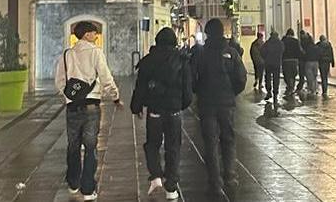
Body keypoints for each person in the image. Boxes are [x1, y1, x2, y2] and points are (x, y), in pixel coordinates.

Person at [55, 21, 122, 201]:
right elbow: (106, 77)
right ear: (86, 35)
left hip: (72, 107)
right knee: (91, 147)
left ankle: (73, 182)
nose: (95, 36)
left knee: (73, 145)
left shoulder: (66, 55)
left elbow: (60, 81)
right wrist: (115, 96)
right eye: (94, 33)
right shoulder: (95, 52)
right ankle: (87, 189)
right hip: (92, 106)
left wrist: (68, 96)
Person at [130, 27, 191, 200]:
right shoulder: (182, 60)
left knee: (152, 144)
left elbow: (140, 88)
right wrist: (181, 105)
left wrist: (136, 107)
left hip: (155, 112)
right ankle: (171, 187)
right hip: (173, 112)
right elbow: (188, 90)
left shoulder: (148, 61)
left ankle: (156, 176)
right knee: (173, 147)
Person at [192, 18, 247, 196]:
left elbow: (193, 79)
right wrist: (231, 93)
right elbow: (240, 79)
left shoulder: (199, 54)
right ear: (222, 32)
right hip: (226, 103)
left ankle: (215, 180)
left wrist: (200, 91)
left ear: (207, 33)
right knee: (228, 139)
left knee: (210, 142)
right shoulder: (231, 52)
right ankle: (230, 175)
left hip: (207, 103)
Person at [260, 30, 283, 108]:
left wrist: (265, 58)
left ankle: (269, 91)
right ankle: (275, 93)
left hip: (268, 63)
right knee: (276, 78)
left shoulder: (267, 43)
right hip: (276, 63)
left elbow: (262, 51)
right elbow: (282, 51)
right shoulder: (280, 43)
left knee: (268, 78)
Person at [281, 29, 302, 97]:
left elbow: (281, 51)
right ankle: (292, 85)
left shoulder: (283, 41)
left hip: (285, 60)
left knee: (287, 74)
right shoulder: (296, 41)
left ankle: (290, 85)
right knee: (293, 73)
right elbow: (299, 51)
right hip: (294, 60)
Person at [296, 30, 314, 94]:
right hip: (307, 60)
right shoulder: (310, 42)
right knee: (308, 75)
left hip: (303, 60)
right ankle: (310, 88)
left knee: (303, 74)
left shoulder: (302, 42)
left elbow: (300, 51)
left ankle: (303, 87)